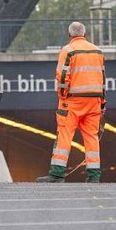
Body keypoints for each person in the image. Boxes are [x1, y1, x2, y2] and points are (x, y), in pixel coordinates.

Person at [37, 21, 107, 183]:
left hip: (73, 101)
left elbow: (62, 77)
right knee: (91, 137)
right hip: (94, 100)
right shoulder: (98, 51)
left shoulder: (67, 50)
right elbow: (103, 78)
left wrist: (63, 96)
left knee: (64, 135)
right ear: (85, 33)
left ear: (70, 34)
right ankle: (94, 175)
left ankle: (57, 173)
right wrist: (102, 101)